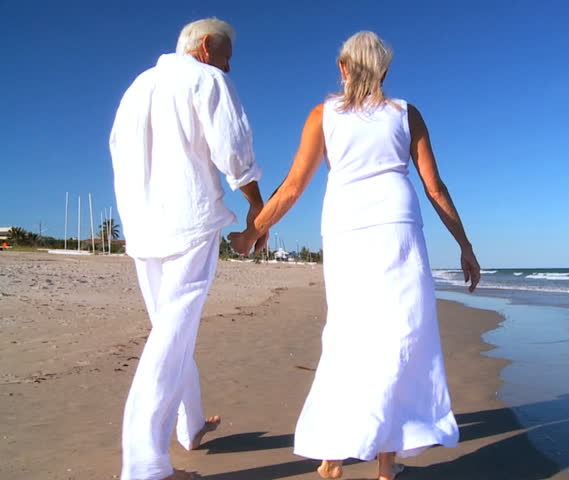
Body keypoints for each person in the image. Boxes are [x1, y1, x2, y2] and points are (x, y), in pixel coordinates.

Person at [228, 31, 480, 480]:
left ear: (343, 68)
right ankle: (386, 465)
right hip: (398, 229)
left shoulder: (323, 115)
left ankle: (334, 451)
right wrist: (465, 245)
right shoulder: (407, 113)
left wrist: (254, 232)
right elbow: (434, 188)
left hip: (346, 230)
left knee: (348, 336)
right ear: (384, 70)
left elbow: (292, 187)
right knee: (402, 339)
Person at [109, 18, 265, 480]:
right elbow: (233, 148)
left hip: (143, 223)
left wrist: (133, 211)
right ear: (204, 46)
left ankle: (190, 423)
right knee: (171, 336)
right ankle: (145, 467)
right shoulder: (206, 78)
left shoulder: (138, 86)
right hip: (188, 220)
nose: (229, 63)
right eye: (226, 52)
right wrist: (257, 208)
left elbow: (117, 148)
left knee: (171, 328)